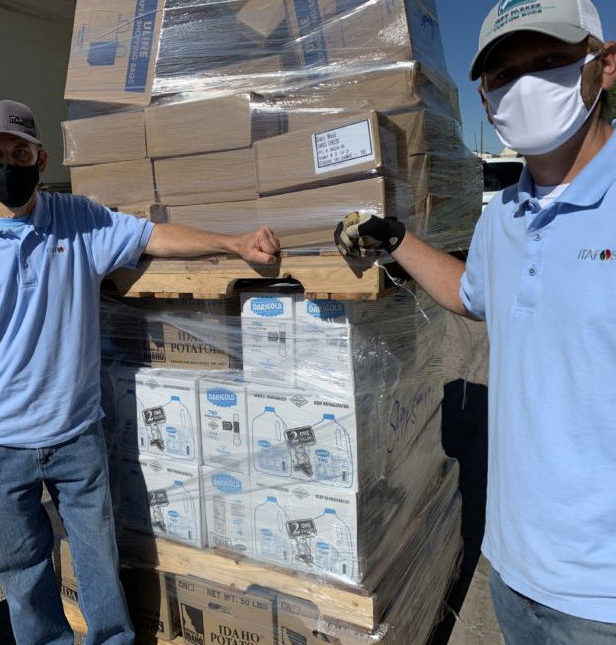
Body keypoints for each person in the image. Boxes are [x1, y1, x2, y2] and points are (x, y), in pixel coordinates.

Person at [0, 99, 280, 645]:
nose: (8, 164)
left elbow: (152, 236)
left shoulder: (80, 220)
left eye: (20, 153)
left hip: (75, 435)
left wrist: (231, 244)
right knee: (23, 572)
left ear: (40, 160)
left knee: (98, 560)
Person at [335, 1, 616, 642]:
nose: (526, 86)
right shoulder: (504, 217)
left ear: (604, 66)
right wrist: (394, 237)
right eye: (504, 75)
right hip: (512, 570)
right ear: (486, 100)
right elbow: (470, 293)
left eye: (550, 61)